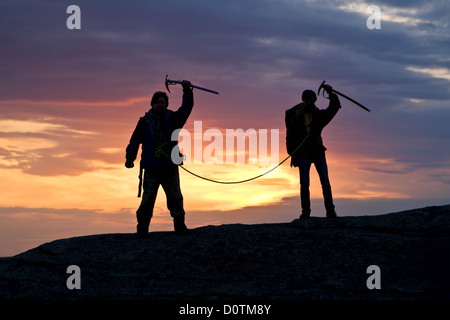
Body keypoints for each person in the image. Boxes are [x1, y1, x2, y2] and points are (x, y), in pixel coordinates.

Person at [125, 80, 194, 237]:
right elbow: (134, 140)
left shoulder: (173, 119)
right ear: (152, 104)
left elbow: (186, 109)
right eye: (157, 102)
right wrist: (130, 158)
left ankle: (180, 226)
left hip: (169, 166)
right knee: (148, 199)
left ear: (166, 104)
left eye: (163, 102)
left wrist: (187, 92)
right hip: (151, 167)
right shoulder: (144, 122)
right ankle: (142, 228)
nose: (160, 105)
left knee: (175, 197)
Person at [285, 84, 341, 219]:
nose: (309, 102)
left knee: (325, 182)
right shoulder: (295, 116)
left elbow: (333, 108)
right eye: (307, 100)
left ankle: (330, 211)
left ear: (315, 100)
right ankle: (305, 212)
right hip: (303, 154)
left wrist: (331, 94)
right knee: (304, 184)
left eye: (311, 99)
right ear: (303, 100)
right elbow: (290, 136)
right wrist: (293, 154)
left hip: (317, 152)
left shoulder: (319, 115)